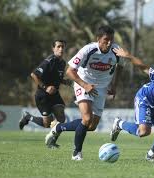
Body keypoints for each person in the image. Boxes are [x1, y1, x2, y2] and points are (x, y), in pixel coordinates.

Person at [45, 25, 124, 160]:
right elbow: (70, 71)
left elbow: (120, 67)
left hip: (102, 88)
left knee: (92, 126)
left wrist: (114, 86)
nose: (109, 43)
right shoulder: (88, 50)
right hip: (83, 82)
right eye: (106, 40)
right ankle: (77, 153)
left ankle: (58, 128)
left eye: (111, 40)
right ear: (98, 39)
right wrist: (85, 85)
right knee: (87, 119)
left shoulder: (116, 51)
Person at [19, 39, 71, 144]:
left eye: (63, 47)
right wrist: (45, 87)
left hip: (55, 94)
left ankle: (52, 141)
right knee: (47, 124)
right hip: (43, 95)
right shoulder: (49, 61)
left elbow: (56, 77)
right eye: (58, 46)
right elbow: (34, 74)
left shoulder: (62, 63)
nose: (61, 49)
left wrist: (65, 81)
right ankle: (28, 117)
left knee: (61, 118)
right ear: (53, 49)